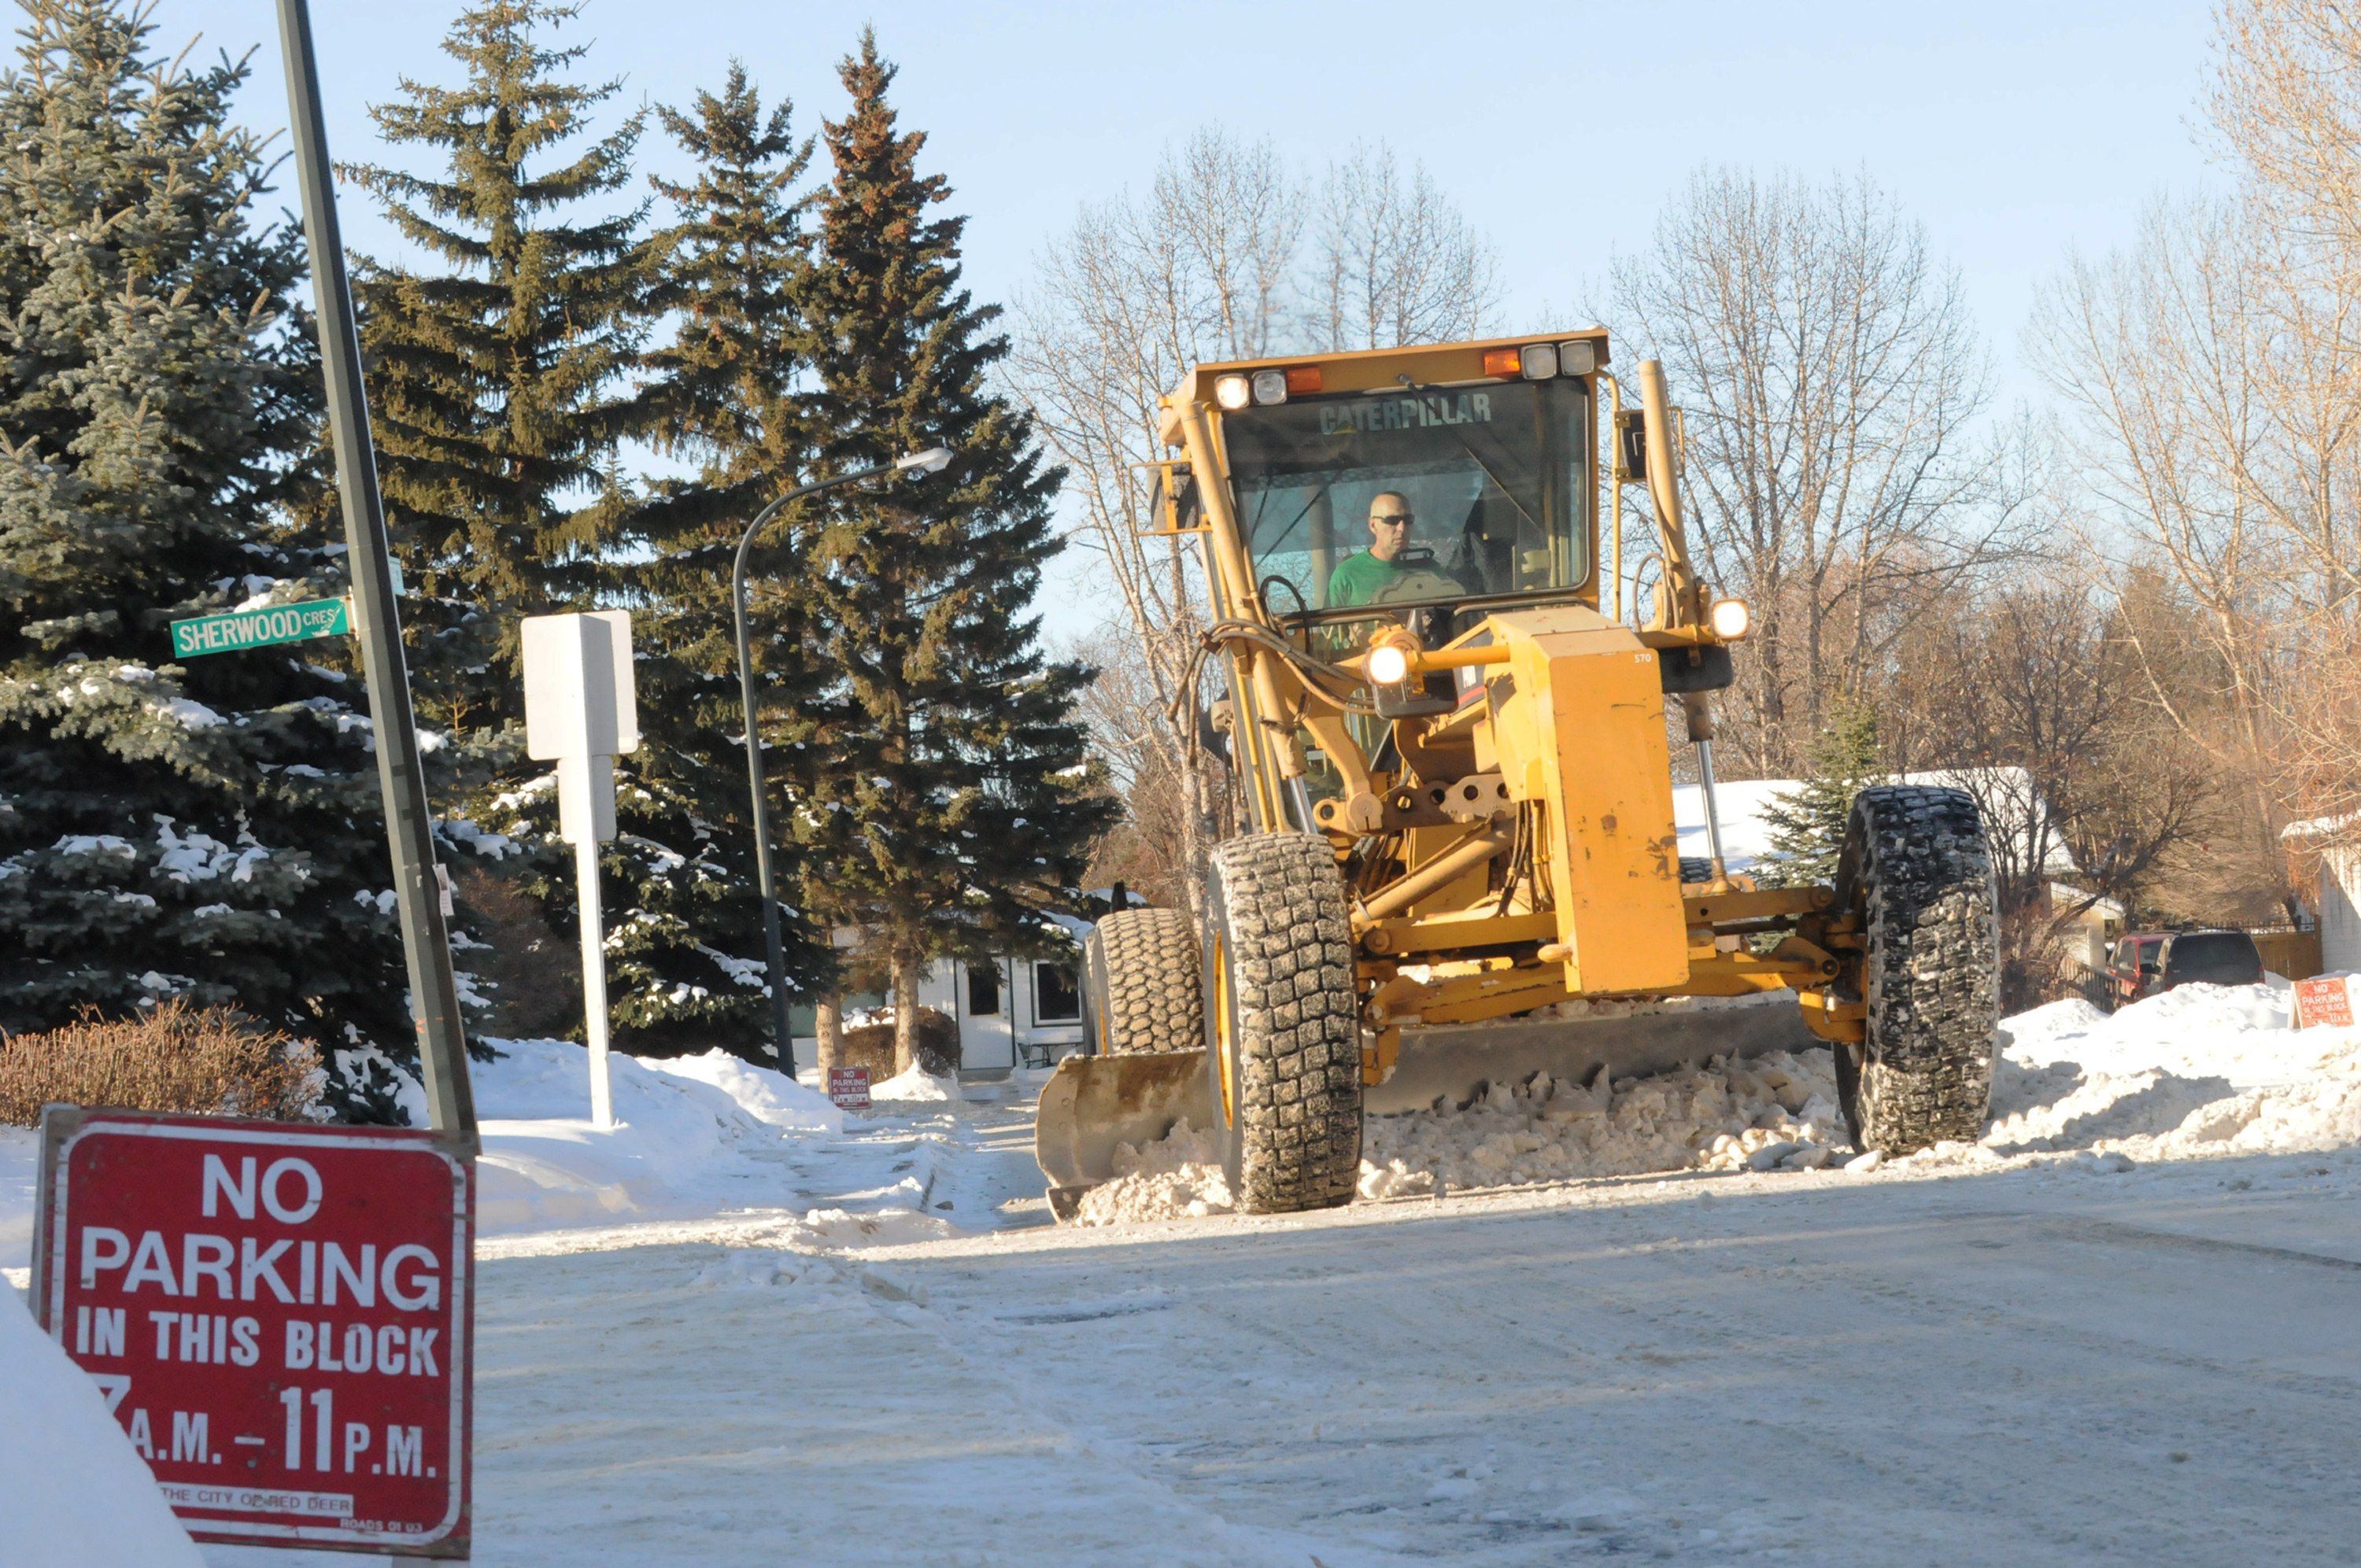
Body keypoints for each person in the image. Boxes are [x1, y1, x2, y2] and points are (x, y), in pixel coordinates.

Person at [1326, 492, 1424, 607]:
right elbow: (1330, 624)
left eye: (1408, 520)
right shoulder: (1346, 575)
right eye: (1392, 520)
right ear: (1373, 525)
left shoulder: (1430, 570)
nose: (1402, 528)